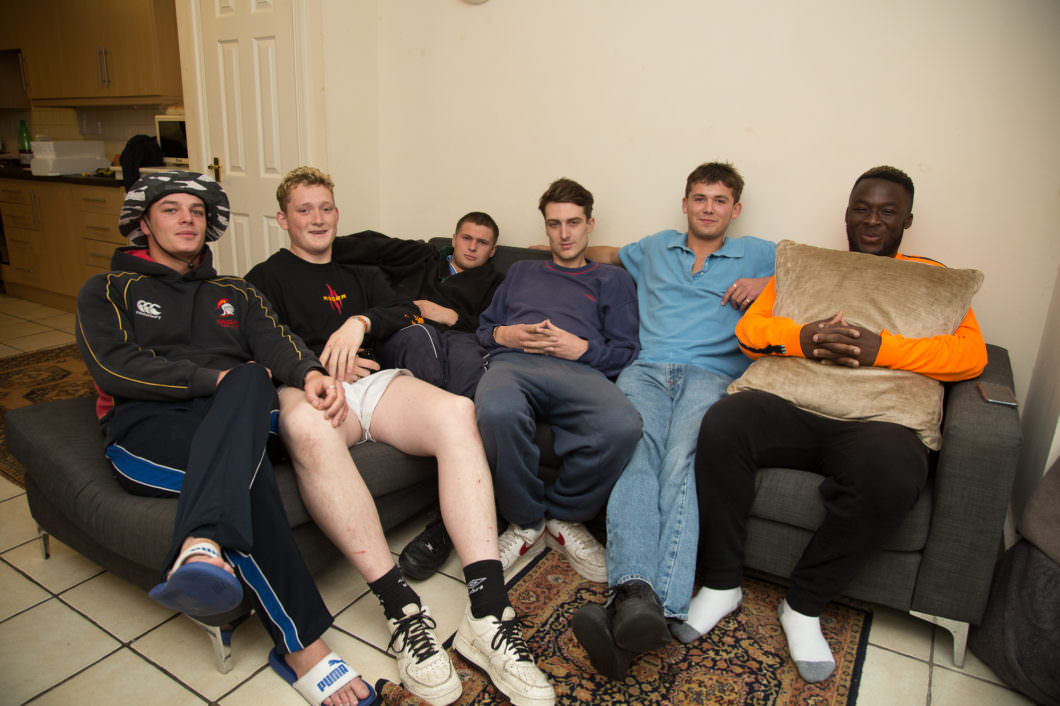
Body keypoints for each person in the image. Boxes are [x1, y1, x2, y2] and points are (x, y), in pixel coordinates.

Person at [245, 166, 554, 706]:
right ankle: (402, 610)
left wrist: (359, 323)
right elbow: (256, 341)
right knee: (304, 427)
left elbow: (400, 309)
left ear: (337, 214)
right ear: (282, 219)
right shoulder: (264, 278)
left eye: (325, 208)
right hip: (309, 389)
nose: (317, 219)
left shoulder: (359, 270)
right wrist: (312, 368)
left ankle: (488, 611)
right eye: (304, 210)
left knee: (458, 411)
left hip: (373, 381)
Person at [76, 171, 376, 706]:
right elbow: (113, 367)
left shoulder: (235, 291)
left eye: (196, 211)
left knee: (253, 381)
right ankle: (302, 646)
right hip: (150, 427)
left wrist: (309, 372)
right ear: (144, 223)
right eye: (171, 210)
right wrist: (214, 379)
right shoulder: (107, 289)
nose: (186, 219)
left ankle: (201, 544)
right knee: (247, 454)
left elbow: (276, 342)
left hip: (240, 414)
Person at [691, 166, 988, 683]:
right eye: (861, 209)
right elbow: (752, 330)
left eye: (887, 212)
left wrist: (882, 349)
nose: (872, 221)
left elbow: (971, 356)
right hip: (794, 402)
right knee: (724, 422)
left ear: (907, 220)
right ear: (847, 213)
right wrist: (802, 338)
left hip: (878, 420)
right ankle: (720, 583)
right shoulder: (809, 266)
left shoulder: (932, 278)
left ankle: (803, 605)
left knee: (895, 472)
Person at [569, 162, 776, 680]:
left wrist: (768, 284)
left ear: (736, 208)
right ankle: (639, 598)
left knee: (683, 461)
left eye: (720, 200)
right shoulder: (656, 247)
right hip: (647, 370)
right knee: (634, 453)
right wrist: (552, 248)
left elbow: (820, 277)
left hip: (713, 376)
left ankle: (646, 603)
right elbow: (608, 254)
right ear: (685, 203)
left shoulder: (760, 254)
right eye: (699, 198)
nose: (708, 208)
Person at [474, 177, 642, 583]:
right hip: (516, 364)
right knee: (495, 410)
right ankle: (526, 523)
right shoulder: (521, 271)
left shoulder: (613, 280)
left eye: (573, 222)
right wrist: (505, 334)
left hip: (581, 370)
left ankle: (564, 518)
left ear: (590, 225)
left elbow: (626, 351)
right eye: (555, 224)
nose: (564, 234)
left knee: (623, 425)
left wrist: (582, 348)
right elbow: (483, 329)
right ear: (546, 227)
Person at [330, 214, 506, 581]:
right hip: (409, 333)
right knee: (419, 336)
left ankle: (448, 521)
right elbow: (372, 242)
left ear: (492, 250)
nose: (472, 247)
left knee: (473, 370)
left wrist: (452, 316)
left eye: (482, 243)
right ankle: (441, 445)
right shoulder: (422, 256)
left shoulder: (495, 282)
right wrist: (323, 242)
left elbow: (497, 328)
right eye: (467, 238)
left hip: (462, 338)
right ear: (453, 239)